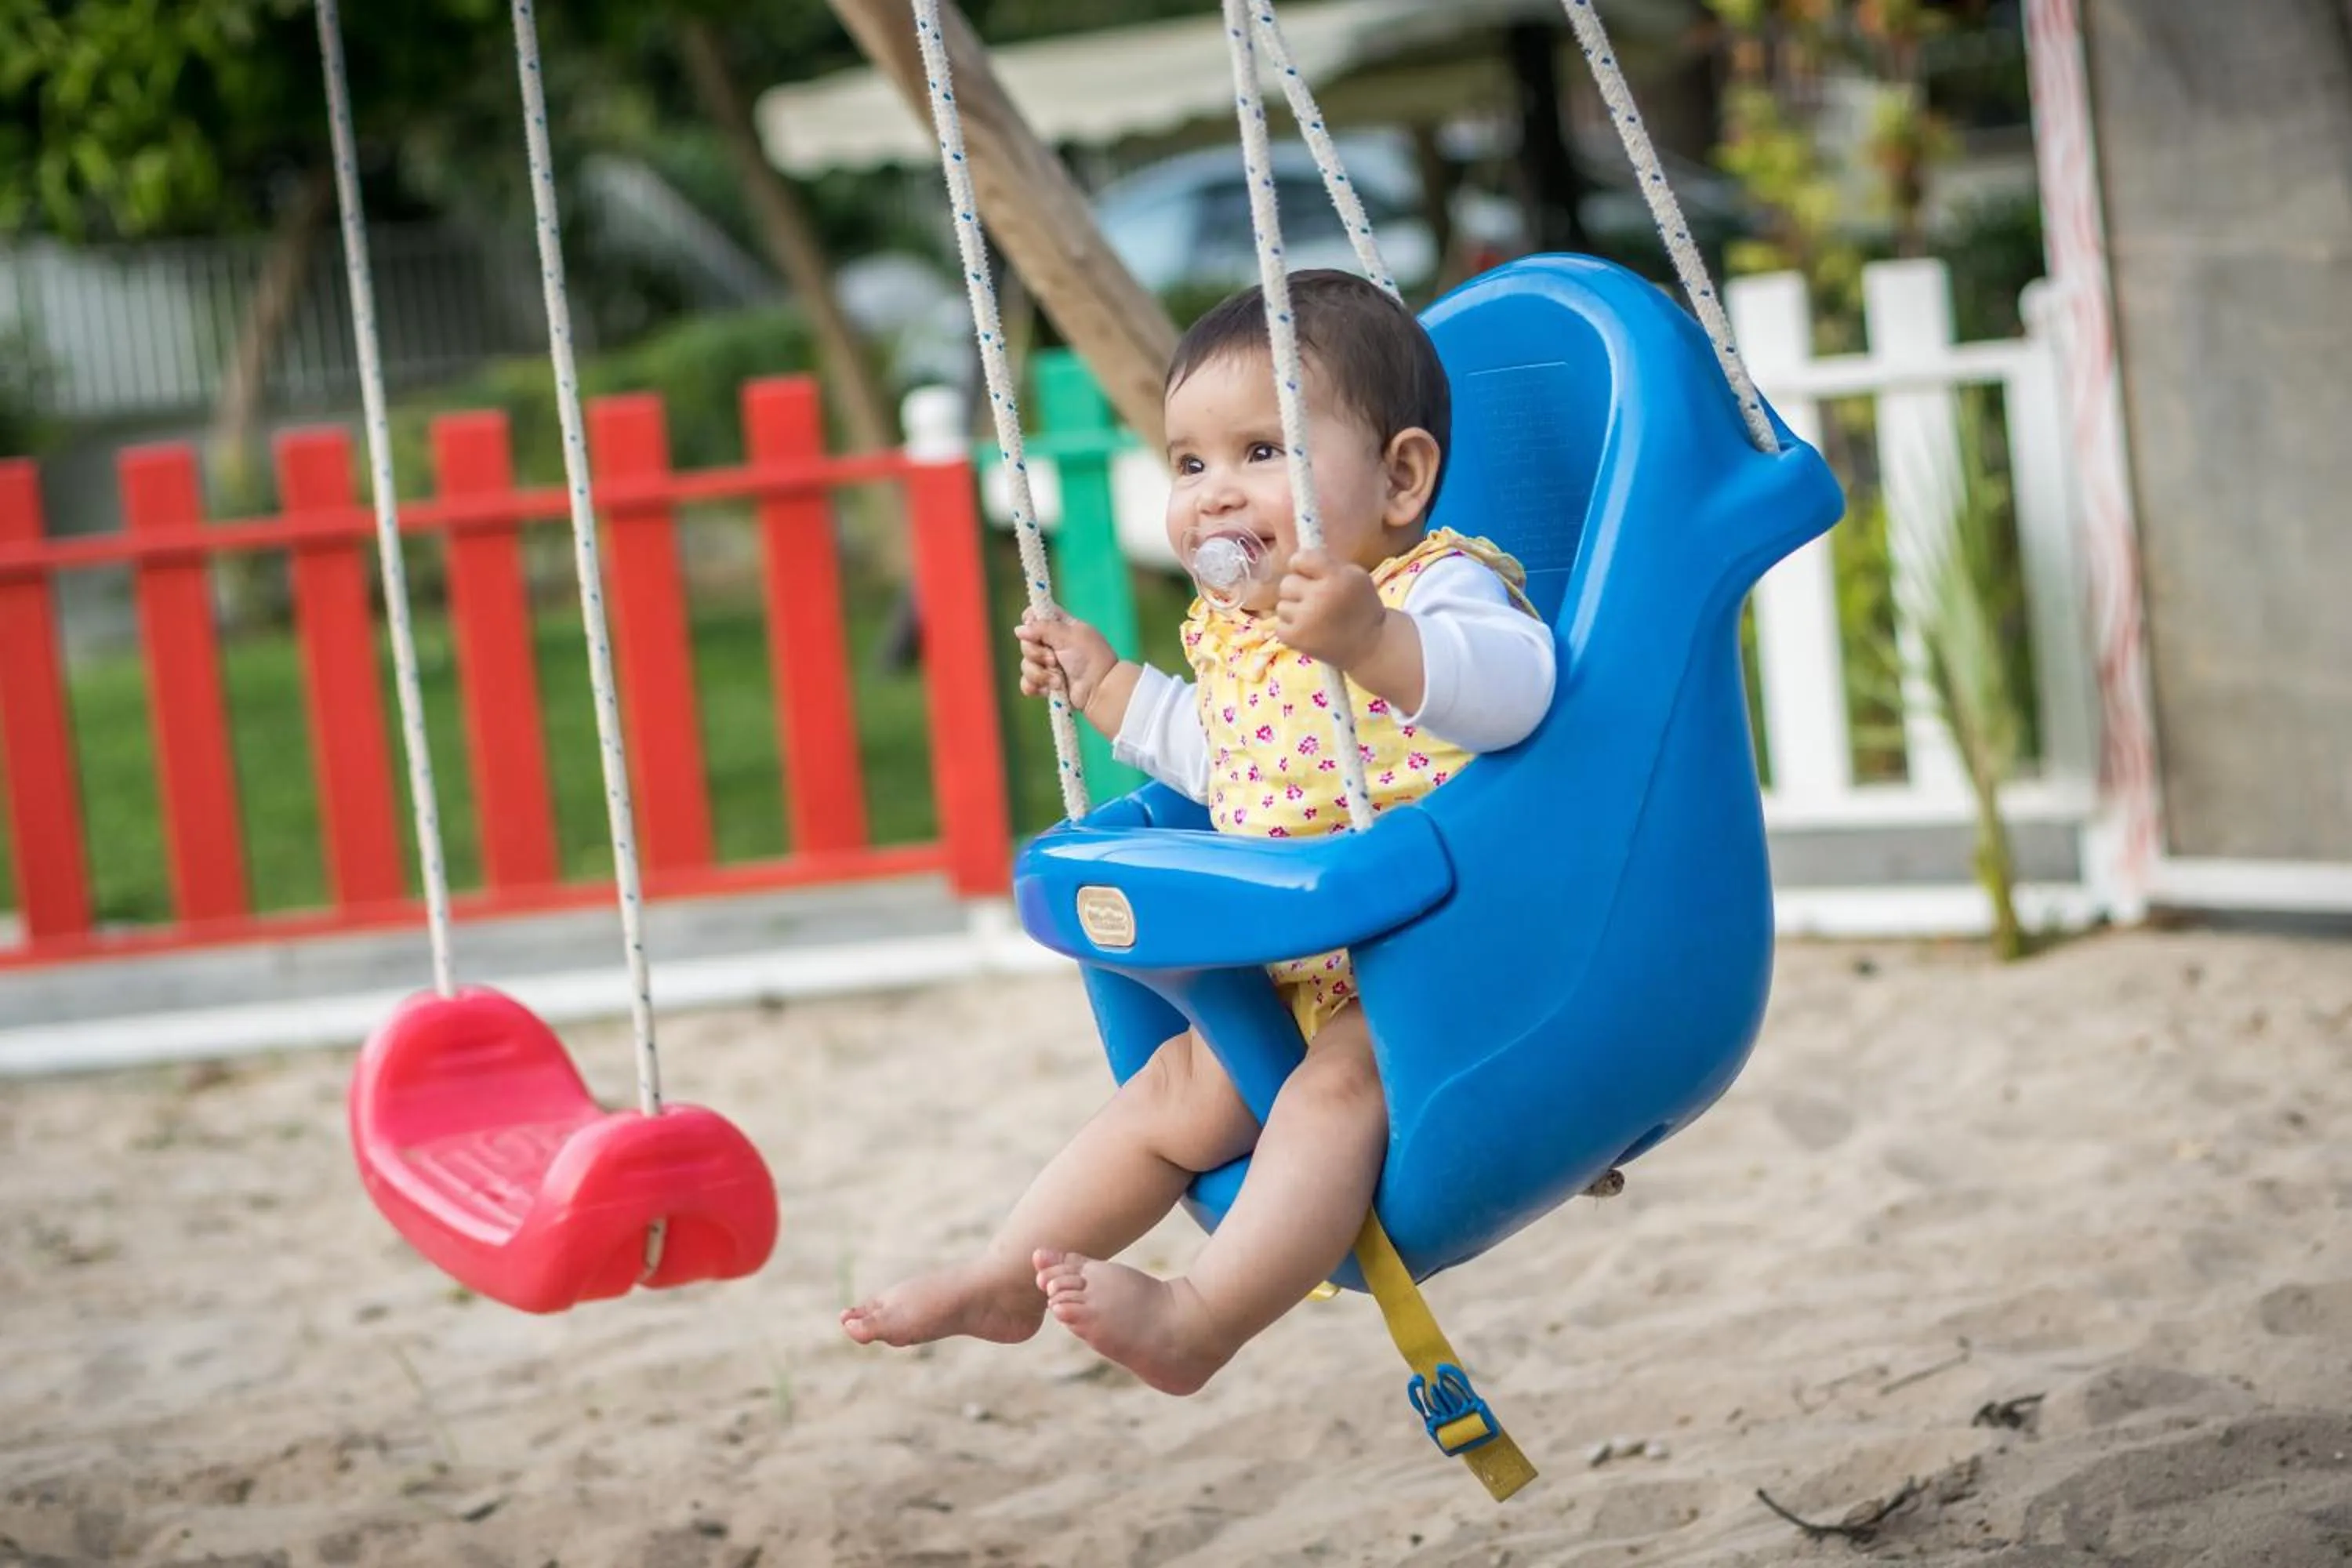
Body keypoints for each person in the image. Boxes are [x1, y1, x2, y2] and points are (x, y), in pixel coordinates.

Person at [840, 270, 1556, 1395]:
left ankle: (1201, 1318)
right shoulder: (1241, 634)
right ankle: (1004, 1276)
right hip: (1312, 966)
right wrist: (1109, 683)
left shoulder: (1435, 586)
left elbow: (1517, 695)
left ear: (1402, 476)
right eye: (1189, 464)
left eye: (1262, 452)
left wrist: (1376, 643)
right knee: (1176, 1091)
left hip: (1446, 963)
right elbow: (1224, 759)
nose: (1216, 495)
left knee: (1333, 1095)